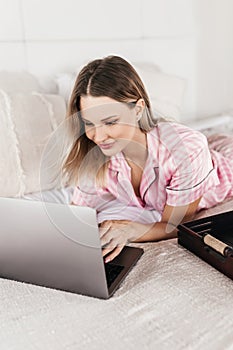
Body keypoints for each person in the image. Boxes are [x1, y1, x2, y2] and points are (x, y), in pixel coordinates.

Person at [62, 55, 233, 263]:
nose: (98, 137)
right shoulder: (94, 153)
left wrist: (131, 230)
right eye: (89, 123)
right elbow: (77, 212)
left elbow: (174, 225)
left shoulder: (187, 151)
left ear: (138, 109)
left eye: (110, 122)